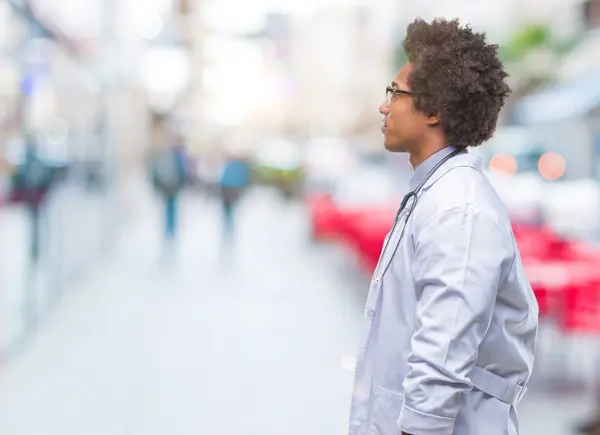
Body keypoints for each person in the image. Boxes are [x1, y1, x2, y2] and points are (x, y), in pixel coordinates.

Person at [348, 18, 538, 435]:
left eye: (394, 93)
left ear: (433, 110)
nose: (384, 106)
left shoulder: (460, 210)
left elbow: (442, 355)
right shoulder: (436, 192)